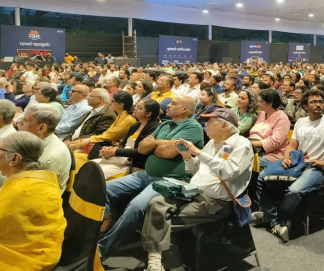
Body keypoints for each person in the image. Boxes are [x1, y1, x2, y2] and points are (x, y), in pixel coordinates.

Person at [142, 107, 253, 271]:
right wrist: (187, 156)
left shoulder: (242, 145)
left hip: (216, 203)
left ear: (224, 125)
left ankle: (169, 265)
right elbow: (197, 170)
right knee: (156, 203)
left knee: (161, 222)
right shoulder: (212, 143)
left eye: (210, 121)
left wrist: (198, 153)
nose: (205, 124)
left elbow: (229, 171)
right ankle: (157, 259)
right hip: (194, 193)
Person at [97, 97, 204, 260]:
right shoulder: (165, 124)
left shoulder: (193, 127)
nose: (168, 105)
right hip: (145, 174)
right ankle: (89, 237)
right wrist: (161, 144)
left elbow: (168, 153)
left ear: (185, 109)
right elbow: (141, 148)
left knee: (136, 206)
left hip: (169, 180)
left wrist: (154, 144)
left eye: (174, 104)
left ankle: (103, 249)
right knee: (104, 190)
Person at [254, 89, 324, 241]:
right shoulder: (301, 122)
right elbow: (292, 146)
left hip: (316, 168)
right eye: (313, 102)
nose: (318, 104)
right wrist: (286, 157)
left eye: (320, 101)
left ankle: (273, 217)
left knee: (295, 190)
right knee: (261, 178)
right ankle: (276, 220)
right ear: (305, 106)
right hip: (297, 163)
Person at [0, 132, 66, 270]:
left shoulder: (22, 190)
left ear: (15, 158)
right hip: (42, 248)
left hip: (27, 256)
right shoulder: (30, 177)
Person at [96, 99, 161, 180]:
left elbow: (140, 151)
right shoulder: (136, 125)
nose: (135, 108)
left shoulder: (154, 128)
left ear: (148, 114)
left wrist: (114, 152)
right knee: (91, 165)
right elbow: (123, 144)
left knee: (99, 173)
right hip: (122, 158)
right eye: (136, 106)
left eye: (139, 108)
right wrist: (111, 149)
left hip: (135, 163)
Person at [69, 91, 137, 167]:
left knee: (76, 158)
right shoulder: (120, 115)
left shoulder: (129, 119)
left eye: (113, 101)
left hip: (115, 148)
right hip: (107, 144)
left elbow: (109, 136)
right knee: (74, 154)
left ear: (121, 105)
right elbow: (108, 133)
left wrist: (83, 142)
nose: (110, 103)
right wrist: (80, 141)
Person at [248, 90, 291, 169]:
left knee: (243, 162)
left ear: (270, 103)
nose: (258, 104)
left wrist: (252, 143)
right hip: (253, 147)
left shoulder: (282, 118)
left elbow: (275, 142)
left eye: (261, 102)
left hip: (272, 154)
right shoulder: (262, 113)